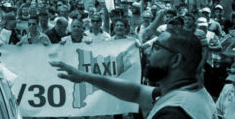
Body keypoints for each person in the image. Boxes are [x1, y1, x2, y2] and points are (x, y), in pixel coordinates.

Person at [51, 32, 216, 118]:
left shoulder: (174, 113)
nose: (147, 51)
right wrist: (85, 76)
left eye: (157, 47)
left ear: (175, 60)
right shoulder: (188, 92)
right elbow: (137, 92)